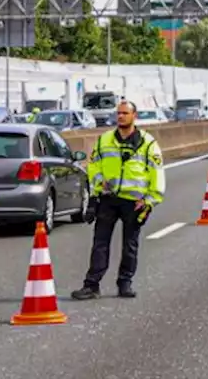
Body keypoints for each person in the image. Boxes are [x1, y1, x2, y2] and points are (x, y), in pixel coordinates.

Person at [72, 101, 165, 300]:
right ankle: (91, 285)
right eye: (119, 113)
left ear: (134, 116)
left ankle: (125, 283)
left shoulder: (148, 143)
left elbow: (156, 173)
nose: (120, 116)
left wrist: (150, 200)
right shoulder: (104, 140)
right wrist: (98, 187)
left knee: (129, 245)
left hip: (134, 202)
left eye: (125, 113)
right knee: (100, 243)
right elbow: (94, 166)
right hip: (109, 199)